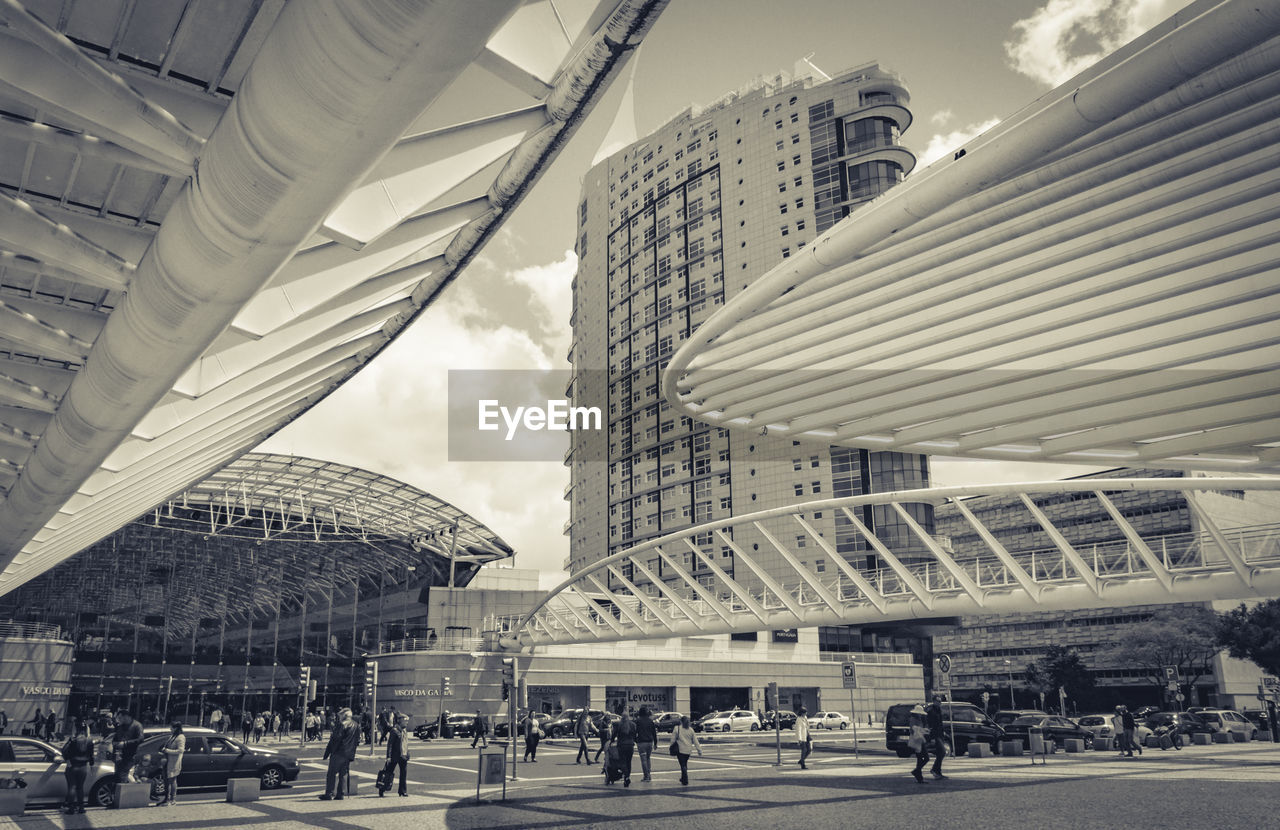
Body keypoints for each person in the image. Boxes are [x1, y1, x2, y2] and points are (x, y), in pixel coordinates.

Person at [320, 708, 360, 800]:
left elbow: (335, 739)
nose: (339, 717)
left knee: (331, 773)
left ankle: (329, 794)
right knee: (343, 774)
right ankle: (340, 794)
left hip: (339, 752)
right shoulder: (356, 725)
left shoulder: (341, 724)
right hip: (348, 754)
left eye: (340, 716)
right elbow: (357, 741)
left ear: (344, 716)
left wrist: (329, 751)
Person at [60, 722, 95, 814]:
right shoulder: (89, 740)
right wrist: (91, 765)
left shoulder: (73, 740)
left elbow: (64, 751)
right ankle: (81, 808)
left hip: (72, 766)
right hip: (83, 767)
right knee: (80, 787)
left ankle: (71, 808)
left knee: (72, 787)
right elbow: (91, 755)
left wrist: (67, 760)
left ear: (77, 730)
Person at [111, 711, 144, 784]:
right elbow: (115, 738)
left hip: (130, 756)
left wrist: (125, 743)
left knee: (123, 775)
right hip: (118, 755)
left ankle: (122, 793)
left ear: (126, 717)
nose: (118, 720)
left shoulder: (137, 725)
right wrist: (114, 743)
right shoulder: (120, 726)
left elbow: (140, 739)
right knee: (117, 776)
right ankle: (117, 792)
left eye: (120, 718)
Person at [670, 715, 702, 786]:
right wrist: (699, 750)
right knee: (684, 764)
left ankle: (685, 779)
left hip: (680, 750)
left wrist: (671, 746)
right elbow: (695, 741)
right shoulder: (691, 730)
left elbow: (673, 739)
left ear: (681, 721)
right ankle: (683, 778)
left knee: (683, 765)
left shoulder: (677, 728)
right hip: (688, 750)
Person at [159, 722, 185, 806]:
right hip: (167, 761)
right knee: (166, 781)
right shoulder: (172, 736)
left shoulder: (181, 737)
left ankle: (172, 799)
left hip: (174, 762)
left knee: (172, 780)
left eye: (171, 728)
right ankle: (166, 798)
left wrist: (167, 750)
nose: (170, 729)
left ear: (176, 728)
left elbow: (180, 750)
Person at [383, 714, 410, 797]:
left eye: (407, 721)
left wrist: (407, 753)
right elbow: (390, 745)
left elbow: (405, 744)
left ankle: (402, 791)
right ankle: (382, 788)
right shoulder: (394, 731)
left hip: (403, 755)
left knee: (403, 774)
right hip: (394, 756)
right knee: (388, 773)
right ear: (400, 721)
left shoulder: (404, 731)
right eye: (405, 721)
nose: (407, 723)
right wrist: (388, 757)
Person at [610, 711, 637, 786]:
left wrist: (611, 741)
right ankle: (627, 777)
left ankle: (626, 776)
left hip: (622, 745)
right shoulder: (633, 724)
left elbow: (614, 734)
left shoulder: (619, 724)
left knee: (623, 762)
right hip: (630, 745)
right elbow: (635, 735)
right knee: (629, 762)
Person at [925, 694, 947, 780]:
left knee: (940, 753)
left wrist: (943, 732)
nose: (940, 703)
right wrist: (932, 737)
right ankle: (935, 769)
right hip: (935, 735)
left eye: (940, 701)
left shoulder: (939, 710)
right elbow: (931, 725)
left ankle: (937, 771)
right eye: (938, 701)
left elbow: (940, 723)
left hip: (940, 734)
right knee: (942, 752)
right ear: (934, 701)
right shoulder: (931, 711)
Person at [907, 705, 930, 784]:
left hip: (919, 740)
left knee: (920, 759)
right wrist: (923, 730)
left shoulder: (919, 719)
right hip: (917, 740)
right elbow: (914, 729)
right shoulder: (914, 719)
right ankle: (918, 774)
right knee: (924, 758)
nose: (920, 715)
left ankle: (918, 775)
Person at [633, 708, 657, 781]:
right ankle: (649, 774)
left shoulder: (638, 721)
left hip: (641, 742)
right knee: (648, 758)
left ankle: (646, 776)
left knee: (643, 760)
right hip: (650, 742)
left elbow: (635, 732)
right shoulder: (650, 721)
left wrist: (635, 740)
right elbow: (654, 733)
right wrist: (655, 743)